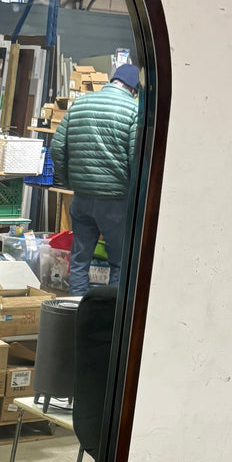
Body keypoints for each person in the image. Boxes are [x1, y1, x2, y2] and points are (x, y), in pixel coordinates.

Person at [49, 63, 142, 295]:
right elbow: (135, 158)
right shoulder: (133, 110)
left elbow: (57, 148)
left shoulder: (80, 104)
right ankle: (108, 320)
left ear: (113, 81)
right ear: (133, 89)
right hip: (115, 201)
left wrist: (69, 181)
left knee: (80, 260)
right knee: (119, 262)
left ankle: (76, 314)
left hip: (81, 198)